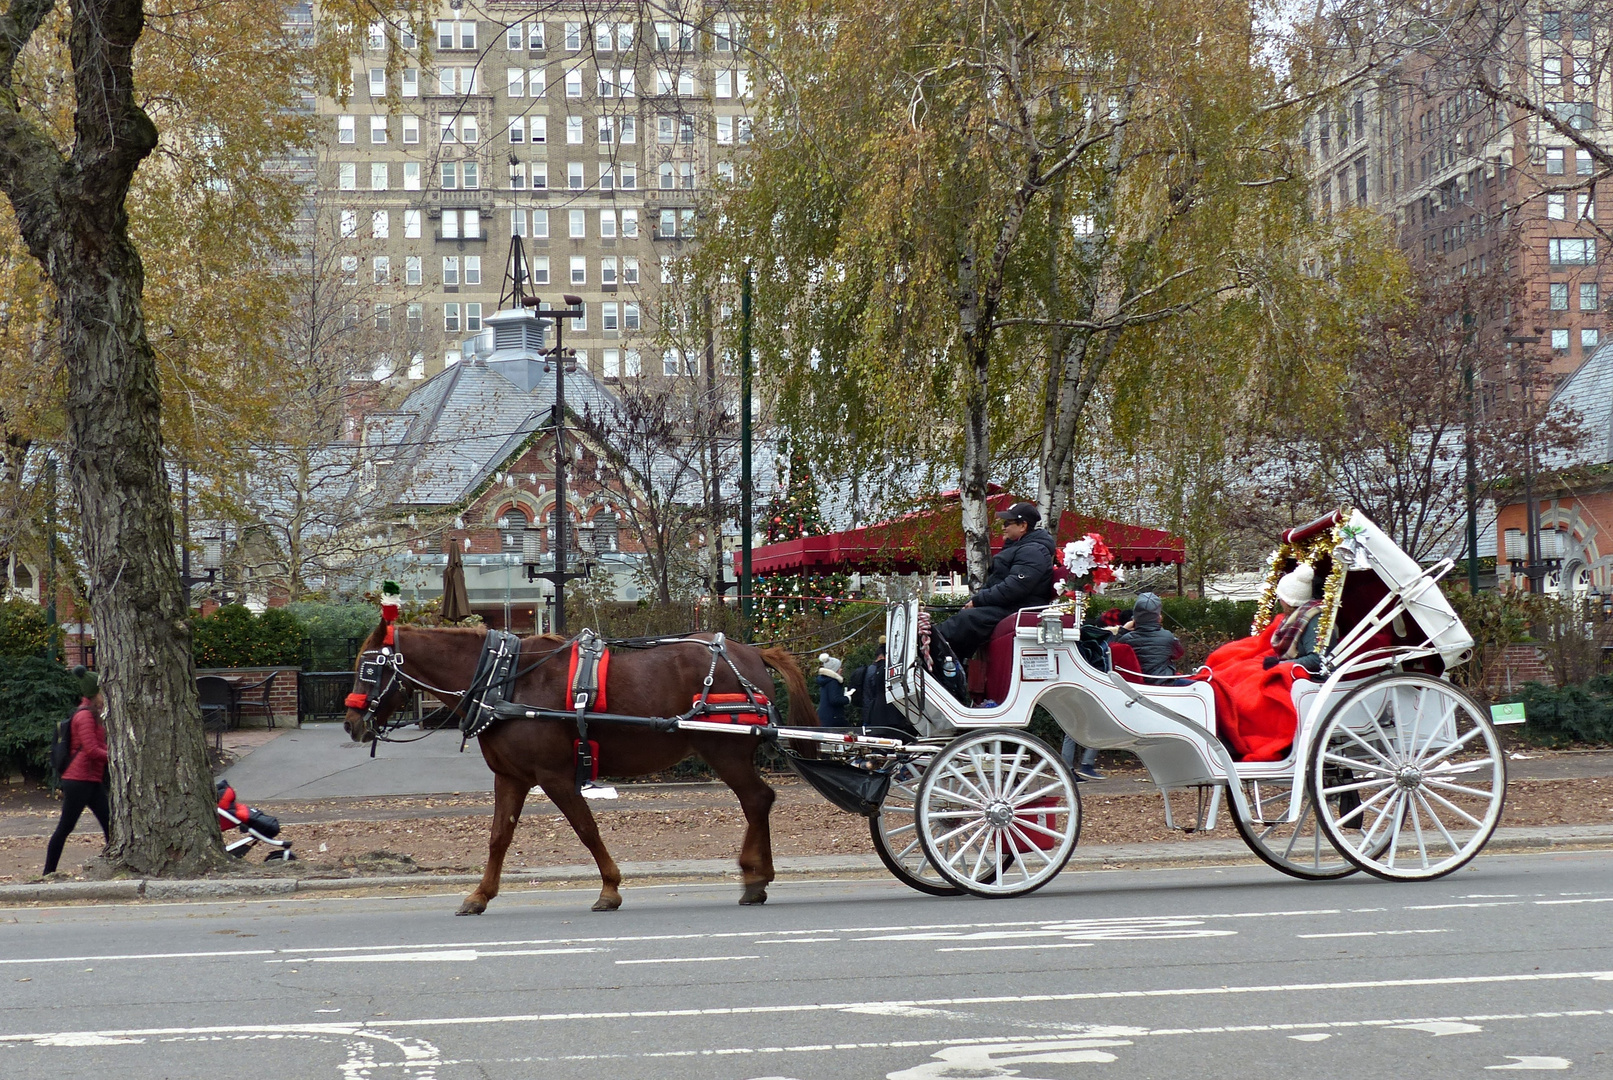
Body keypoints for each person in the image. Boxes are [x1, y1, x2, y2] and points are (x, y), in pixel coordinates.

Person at [934, 501, 1059, 672]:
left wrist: (978, 601)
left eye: (1008, 523)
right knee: (964, 618)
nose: (1003, 527)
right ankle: (955, 669)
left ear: (1023, 526)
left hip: (1019, 608)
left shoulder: (1033, 551)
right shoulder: (1021, 547)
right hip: (1010, 606)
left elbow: (1014, 588)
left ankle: (940, 663)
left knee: (965, 621)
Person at [43, 666, 111, 876]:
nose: (105, 697)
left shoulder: (94, 715)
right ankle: (48, 872)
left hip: (91, 779)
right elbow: (91, 750)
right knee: (65, 827)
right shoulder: (84, 717)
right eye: (102, 692)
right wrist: (115, 757)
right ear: (94, 694)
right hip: (78, 780)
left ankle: (113, 865)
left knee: (110, 824)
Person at [1117, 592, 1184, 679]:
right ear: (1159, 617)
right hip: (1165, 683)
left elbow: (1114, 652)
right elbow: (1179, 653)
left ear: (1134, 618)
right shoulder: (1168, 637)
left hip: (1136, 685)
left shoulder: (1125, 639)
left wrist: (1123, 630)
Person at [815, 653, 849, 725]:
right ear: (835, 670)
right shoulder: (833, 682)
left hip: (825, 716)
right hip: (833, 717)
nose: (841, 669)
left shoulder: (825, 681)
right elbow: (834, 699)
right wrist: (847, 698)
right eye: (839, 668)